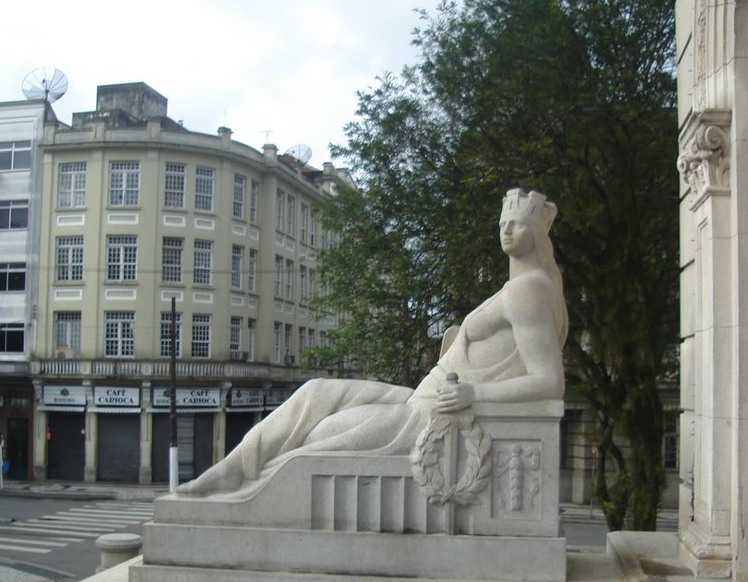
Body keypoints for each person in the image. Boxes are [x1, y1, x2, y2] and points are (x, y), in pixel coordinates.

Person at [176, 188, 568, 497]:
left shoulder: (528, 291)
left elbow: (549, 381)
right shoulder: (517, 287)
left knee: (320, 435)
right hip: (419, 397)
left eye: (516, 224)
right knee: (315, 391)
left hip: (431, 414)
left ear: (535, 234)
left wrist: (474, 395)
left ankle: (240, 481)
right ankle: (230, 471)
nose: (506, 231)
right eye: (503, 222)